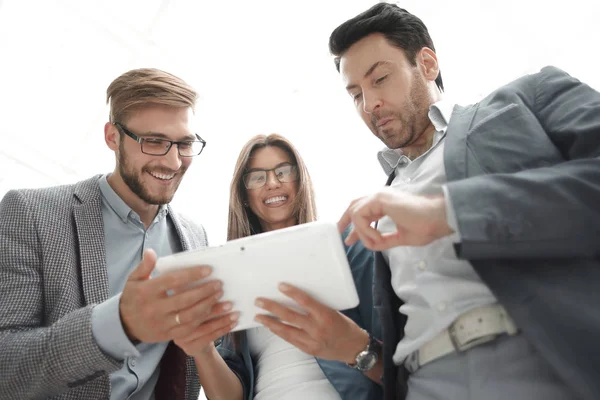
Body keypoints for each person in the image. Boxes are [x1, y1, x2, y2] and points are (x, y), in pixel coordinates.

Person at [328, 3, 600, 400]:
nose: (370, 105)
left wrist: (449, 212)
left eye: (380, 78)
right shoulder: (374, 208)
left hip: (541, 361)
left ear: (426, 64)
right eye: (355, 94)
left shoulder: (526, 99)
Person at [0, 68, 235, 399]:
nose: (172, 161)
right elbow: (6, 365)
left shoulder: (195, 238)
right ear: (113, 137)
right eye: (154, 141)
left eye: (183, 144)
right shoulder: (31, 213)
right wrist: (117, 324)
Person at [182, 133, 382, 400]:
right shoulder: (232, 280)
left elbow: (394, 362)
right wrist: (202, 348)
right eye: (257, 177)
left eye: (283, 171)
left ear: (300, 181)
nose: (273, 183)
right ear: (244, 195)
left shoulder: (347, 251)